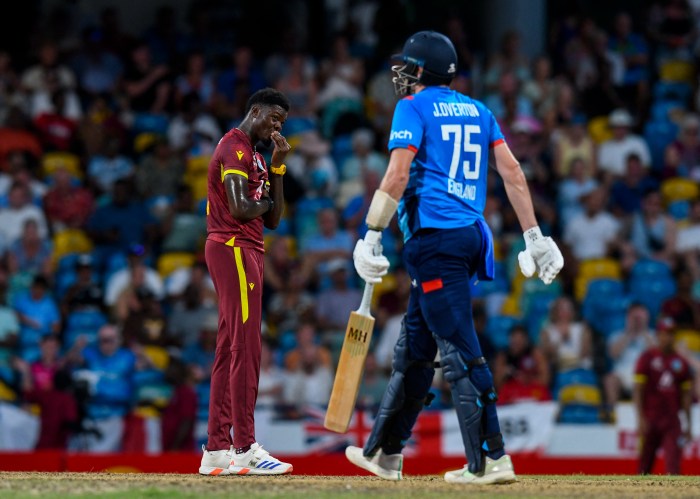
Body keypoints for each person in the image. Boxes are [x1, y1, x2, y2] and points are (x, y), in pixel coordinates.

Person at [345, 31, 563, 484]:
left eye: (407, 66)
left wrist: (371, 233)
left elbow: (398, 173)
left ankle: (491, 459)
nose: (401, 74)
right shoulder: (479, 109)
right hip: (467, 236)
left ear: (421, 71)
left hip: (436, 240)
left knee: (460, 351)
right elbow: (513, 173)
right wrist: (533, 234)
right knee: (416, 351)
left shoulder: (412, 107)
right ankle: (385, 454)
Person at [198, 88, 293, 476]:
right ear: (254, 110)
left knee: (228, 349)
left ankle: (217, 450)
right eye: (273, 118)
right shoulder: (234, 148)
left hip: (246, 247)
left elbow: (273, 219)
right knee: (247, 347)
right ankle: (246, 447)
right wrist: (267, 201)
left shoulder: (255, 155)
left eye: (282, 122)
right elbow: (241, 209)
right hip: (234, 246)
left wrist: (278, 167)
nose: (277, 126)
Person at [634, 316, 692, 475]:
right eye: (665, 333)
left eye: (672, 334)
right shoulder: (647, 358)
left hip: (672, 422)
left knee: (673, 467)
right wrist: (640, 418)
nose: (669, 337)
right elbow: (638, 390)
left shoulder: (681, 362)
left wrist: (688, 424)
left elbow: (686, 397)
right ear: (658, 335)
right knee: (644, 467)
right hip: (650, 419)